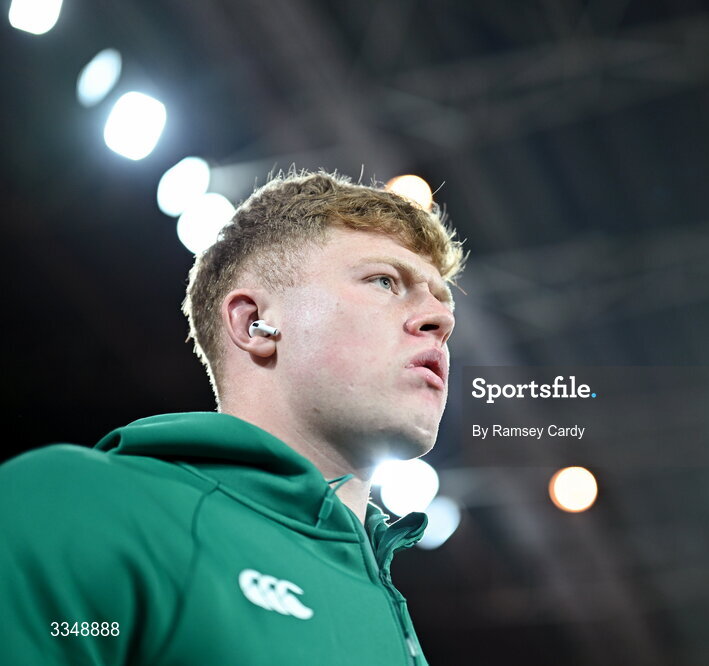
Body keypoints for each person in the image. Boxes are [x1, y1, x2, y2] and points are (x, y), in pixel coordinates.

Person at [0, 169, 464, 665]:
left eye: (441, 299)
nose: (442, 320)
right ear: (254, 324)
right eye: (385, 281)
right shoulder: (77, 505)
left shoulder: (392, 620)